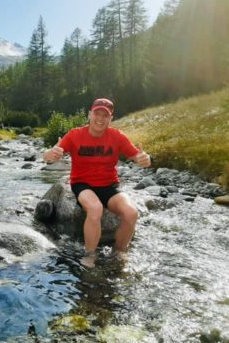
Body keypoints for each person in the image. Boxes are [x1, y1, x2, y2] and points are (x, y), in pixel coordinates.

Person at [43, 98, 151, 267]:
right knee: (95, 208)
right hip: (82, 184)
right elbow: (50, 156)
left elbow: (137, 156)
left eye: (105, 115)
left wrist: (144, 159)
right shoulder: (74, 135)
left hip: (110, 186)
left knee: (131, 213)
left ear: (111, 119)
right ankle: (90, 254)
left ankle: (119, 252)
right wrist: (49, 155)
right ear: (89, 114)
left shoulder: (117, 136)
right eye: (97, 113)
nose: (100, 118)